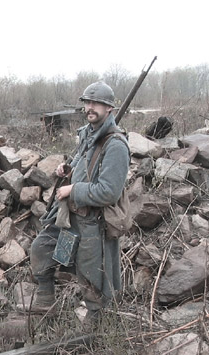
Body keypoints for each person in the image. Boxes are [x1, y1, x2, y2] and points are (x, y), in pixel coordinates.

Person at [29, 81, 130, 326]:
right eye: (87, 102)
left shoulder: (116, 145)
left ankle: (96, 329)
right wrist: (69, 169)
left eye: (97, 103)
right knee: (41, 248)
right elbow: (85, 163)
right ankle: (46, 301)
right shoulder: (88, 133)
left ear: (110, 109)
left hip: (93, 224)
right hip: (70, 218)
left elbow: (108, 192)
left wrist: (73, 189)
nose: (90, 107)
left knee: (93, 278)